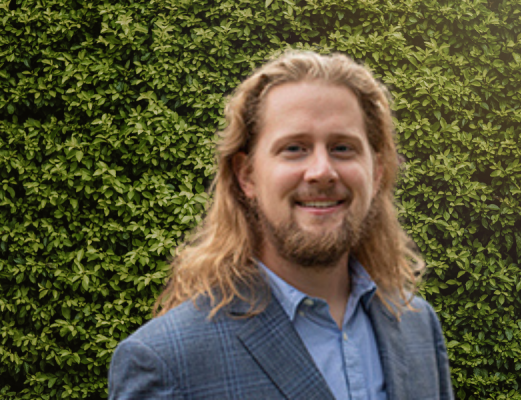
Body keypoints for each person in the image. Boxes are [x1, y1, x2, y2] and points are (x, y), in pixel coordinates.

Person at [108, 51, 454, 400]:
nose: (321, 171)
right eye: (294, 148)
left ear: (376, 173)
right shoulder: (167, 362)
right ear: (247, 176)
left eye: (342, 148)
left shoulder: (417, 327)